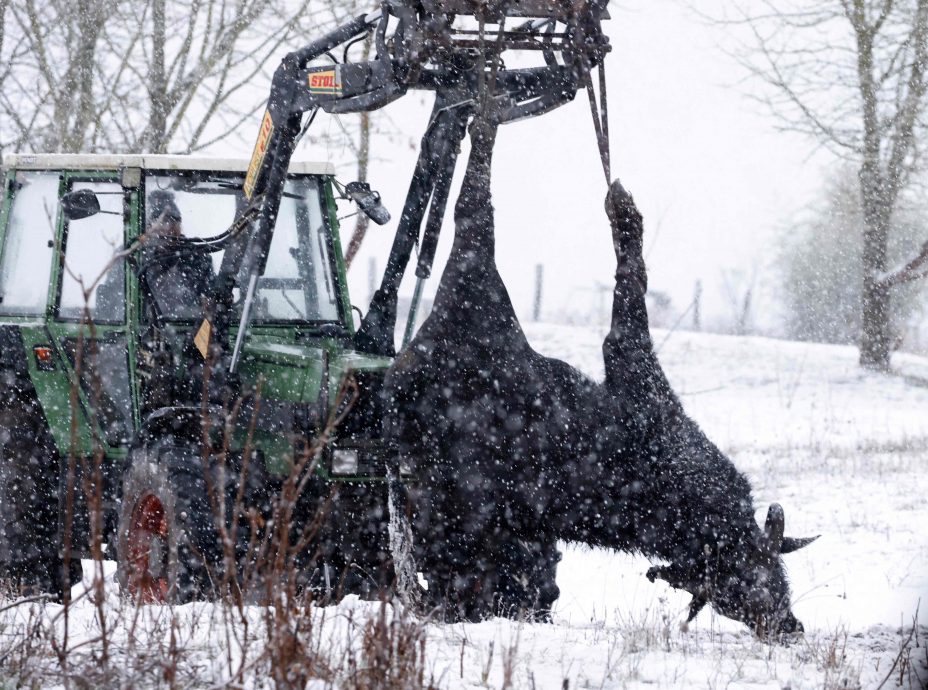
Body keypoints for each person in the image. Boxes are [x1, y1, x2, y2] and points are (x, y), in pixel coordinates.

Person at [144, 190, 215, 320]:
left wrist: (209, 304)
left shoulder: (197, 257)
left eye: (175, 222)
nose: (170, 228)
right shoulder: (136, 257)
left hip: (188, 327)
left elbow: (211, 298)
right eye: (164, 222)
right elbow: (117, 299)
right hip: (147, 328)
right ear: (150, 227)